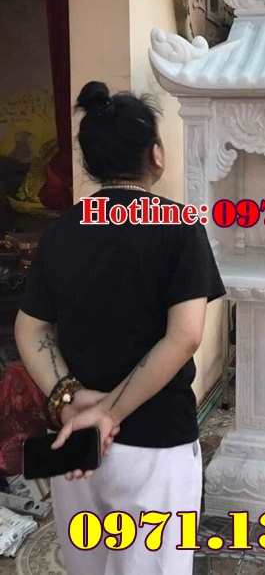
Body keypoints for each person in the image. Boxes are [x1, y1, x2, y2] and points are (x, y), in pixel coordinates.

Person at [14, 81, 226, 574]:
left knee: (85, 565)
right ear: (156, 154)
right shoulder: (179, 226)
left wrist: (70, 401)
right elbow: (186, 335)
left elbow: (30, 328)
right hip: (155, 444)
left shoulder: (62, 230)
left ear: (90, 161)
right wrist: (109, 413)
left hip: (74, 445)